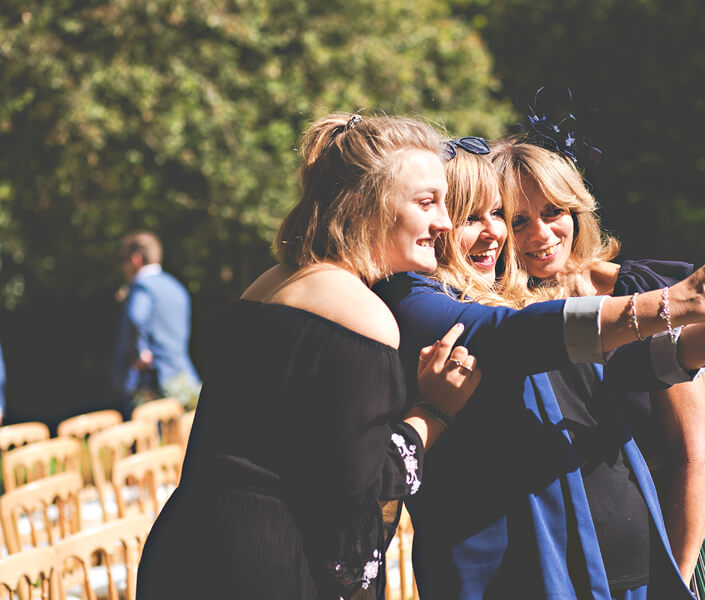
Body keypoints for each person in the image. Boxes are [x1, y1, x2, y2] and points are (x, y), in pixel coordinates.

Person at [373, 139, 705, 599]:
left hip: (631, 554)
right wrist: (677, 302)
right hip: (518, 571)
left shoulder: (515, 303)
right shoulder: (423, 302)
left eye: (497, 214)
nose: (496, 232)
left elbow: (649, 368)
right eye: (472, 217)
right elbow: (516, 336)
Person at [136, 113, 482, 600]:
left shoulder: (268, 283)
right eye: (426, 202)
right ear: (369, 204)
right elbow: (356, 493)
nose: (444, 222)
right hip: (265, 567)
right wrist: (434, 410)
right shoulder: (362, 315)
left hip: (185, 548)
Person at [491, 138, 705, 598]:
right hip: (583, 551)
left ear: (577, 211)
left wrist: (676, 580)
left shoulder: (641, 292)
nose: (540, 233)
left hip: (678, 523)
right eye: (518, 220)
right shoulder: (503, 316)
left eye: (553, 211)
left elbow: (695, 456)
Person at [113, 231, 200, 416]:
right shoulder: (177, 287)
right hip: (184, 380)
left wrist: (140, 352)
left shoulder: (142, 285)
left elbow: (136, 316)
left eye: (123, 261)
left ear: (135, 259)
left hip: (154, 386)